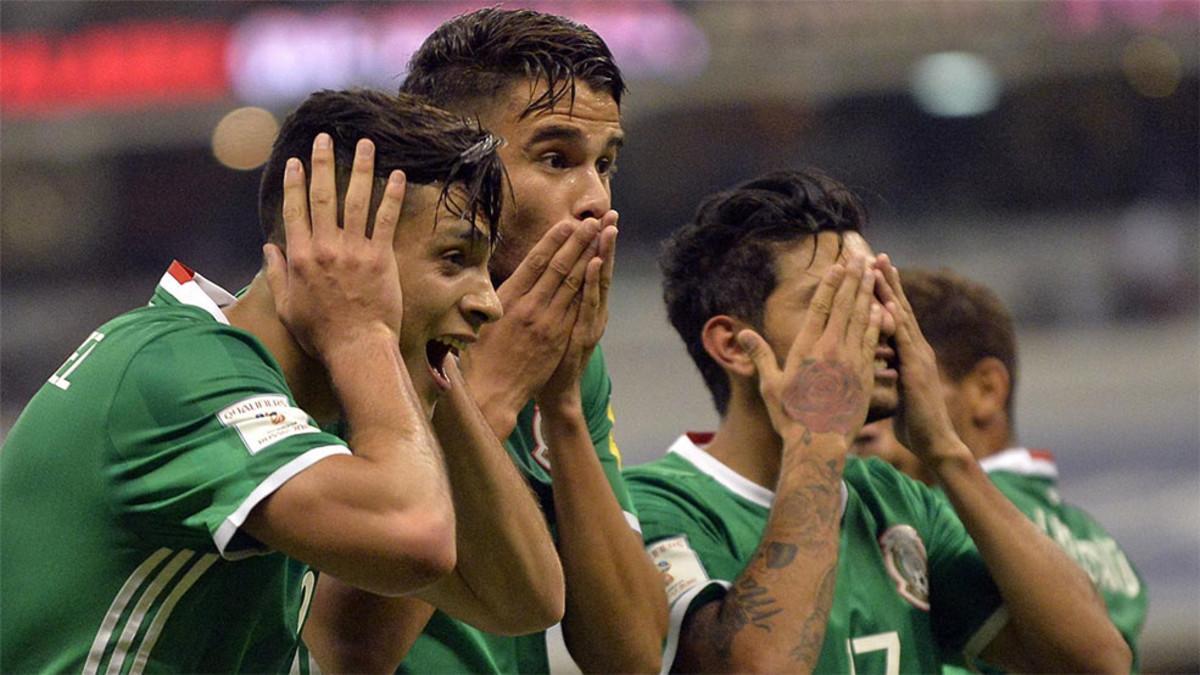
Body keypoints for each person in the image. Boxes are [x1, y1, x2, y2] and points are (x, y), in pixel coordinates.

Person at [0, 89, 563, 673]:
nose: (488, 302)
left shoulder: (307, 405)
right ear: (330, 252)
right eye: (454, 259)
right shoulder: (177, 369)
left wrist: (426, 373)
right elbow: (415, 538)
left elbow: (521, 600)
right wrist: (363, 333)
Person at [624, 169, 1131, 673]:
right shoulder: (656, 507)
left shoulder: (893, 498)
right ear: (735, 346)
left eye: (880, 296)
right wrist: (818, 443)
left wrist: (947, 453)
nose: (884, 322)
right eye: (839, 303)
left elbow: (1097, 661)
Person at [303, 8, 667, 674]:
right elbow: (345, 651)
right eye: (556, 158)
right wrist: (494, 389)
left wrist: (561, 410)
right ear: (457, 164)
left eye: (605, 163)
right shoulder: (338, 342)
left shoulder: (564, 354)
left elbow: (633, 654)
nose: (596, 201)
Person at [853, 266, 1147, 670]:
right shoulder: (1094, 539)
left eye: (903, 380)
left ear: (987, 389)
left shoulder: (938, 521)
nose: (872, 419)